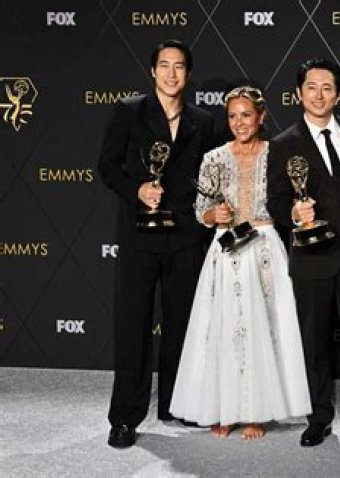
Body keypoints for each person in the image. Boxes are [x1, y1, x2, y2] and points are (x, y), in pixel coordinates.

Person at [169, 86, 312, 439]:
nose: (239, 122)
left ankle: (256, 412)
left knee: (264, 328)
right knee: (224, 328)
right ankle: (225, 409)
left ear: (260, 117)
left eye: (246, 115)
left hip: (264, 247)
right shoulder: (213, 158)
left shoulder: (276, 154)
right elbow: (200, 211)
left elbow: (290, 201)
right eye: (232, 116)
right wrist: (213, 215)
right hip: (227, 249)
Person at [98, 39, 215, 448]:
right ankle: (124, 417)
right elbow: (107, 166)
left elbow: (211, 176)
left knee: (182, 326)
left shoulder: (203, 121)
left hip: (185, 237)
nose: (170, 73)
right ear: (152, 71)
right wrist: (138, 191)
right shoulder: (129, 111)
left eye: (178, 66)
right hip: (139, 236)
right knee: (132, 327)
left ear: (188, 73)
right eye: (163, 65)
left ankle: (175, 404)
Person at [266, 57, 340, 447]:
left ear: (338, 94)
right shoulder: (283, 144)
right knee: (314, 342)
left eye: (327, 88)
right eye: (311, 87)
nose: (319, 95)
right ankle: (319, 416)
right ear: (299, 93)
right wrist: (294, 214)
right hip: (312, 256)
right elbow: (275, 201)